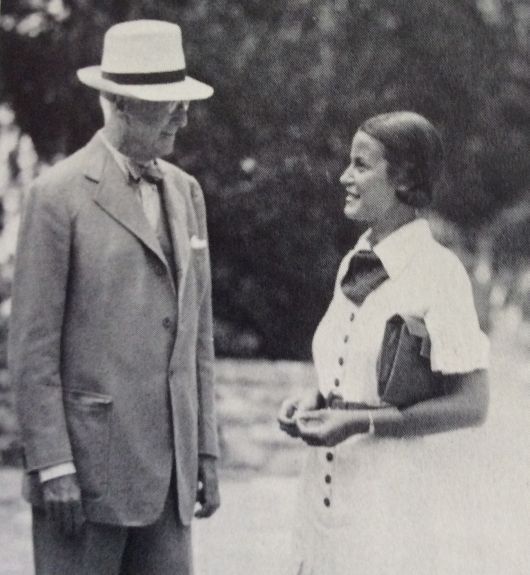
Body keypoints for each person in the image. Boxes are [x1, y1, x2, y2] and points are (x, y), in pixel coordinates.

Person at [9, 20, 220, 575]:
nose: (183, 113)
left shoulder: (185, 191)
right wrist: (54, 465)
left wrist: (205, 450)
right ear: (122, 102)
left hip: (170, 479)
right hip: (85, 476)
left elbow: (198, 336)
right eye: (167, 101)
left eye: (182, 99)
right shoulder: (56, 196)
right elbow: (32, 351)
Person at [278, 111, 490, 574]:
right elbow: (348, 367)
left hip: (388, 506)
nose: (344, 176)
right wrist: (313, 399)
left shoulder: (440, 272)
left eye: (361, 165)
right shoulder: (354, 261)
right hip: (323, 496)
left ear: (405, 177)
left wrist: (361, 424)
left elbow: (472, 404)